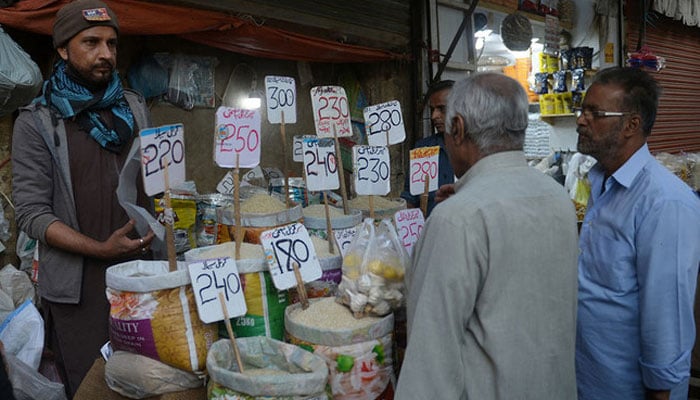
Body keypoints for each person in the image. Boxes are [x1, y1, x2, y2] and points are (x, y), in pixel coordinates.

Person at [395, 73, 579, 399]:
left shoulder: (458, 218)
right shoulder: (556, 196)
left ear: (459, 128)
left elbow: (430, 360)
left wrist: (464, 203)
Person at [11, 0, 155, 396]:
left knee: (147, 380)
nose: (105, 53)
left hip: (142, 274)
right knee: (94, 386)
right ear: (62, 49)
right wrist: (99, 249)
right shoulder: (38, 121)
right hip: (79, 289)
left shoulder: (135, 108)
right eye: (90, 42)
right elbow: (32, 214)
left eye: (111, 43)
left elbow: (157, 181)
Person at [575, 67, 700, 400]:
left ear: (631, 124)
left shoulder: (664, 202)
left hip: (628, 389)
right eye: (582, 109)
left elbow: (667, 315)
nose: (581, 120)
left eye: (594, 113)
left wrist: (661, 392)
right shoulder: (600, 182)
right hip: (589, 379)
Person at [400, 80, 455, 217]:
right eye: (432, 110)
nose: (434, 116)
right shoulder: (423, 149)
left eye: (442, 109)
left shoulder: (477, 151)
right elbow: (410, 197)